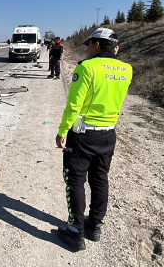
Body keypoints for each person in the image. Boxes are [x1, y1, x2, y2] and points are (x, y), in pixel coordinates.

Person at [54, 27, 132, 252]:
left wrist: (62, 131)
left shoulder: (87, 67)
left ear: (97, 45)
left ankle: (75, 231)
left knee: (75, 180)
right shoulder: (126, 69)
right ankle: (95, 225)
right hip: (108, 134)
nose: (87, 48)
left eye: (89, 44)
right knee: (100, 178)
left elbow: (74, 104)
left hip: (83, 134)